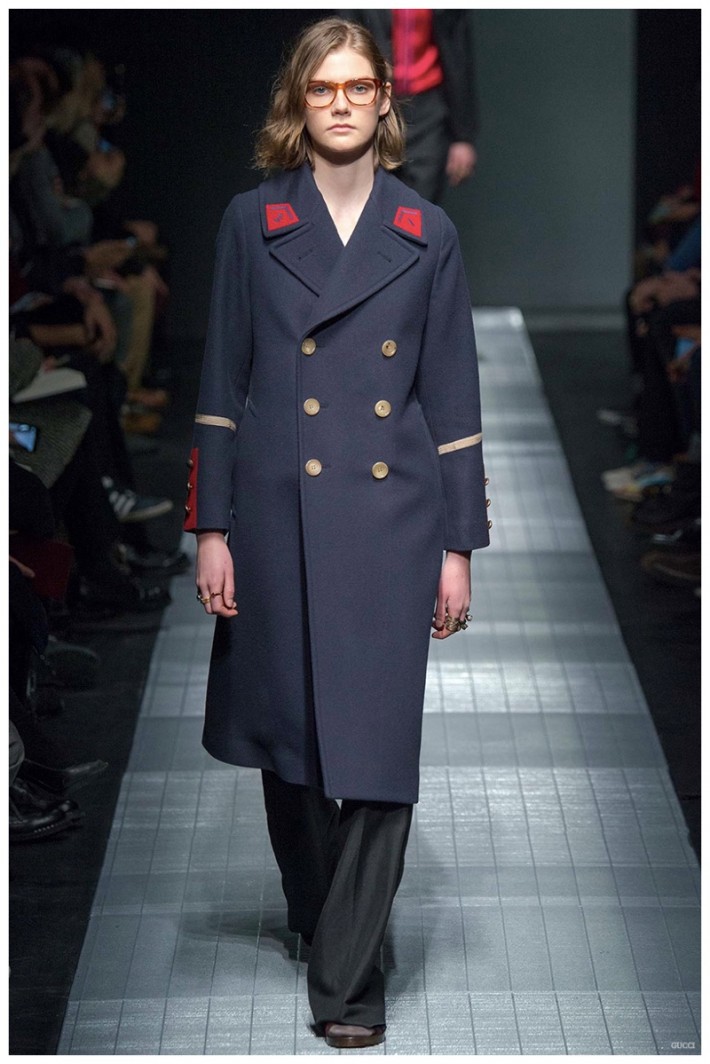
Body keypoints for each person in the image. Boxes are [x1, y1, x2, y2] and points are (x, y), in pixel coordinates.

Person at [185, 17, 491, 1049]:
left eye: (360, 86)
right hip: (274, 513)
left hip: (388, 522)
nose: (344, 103)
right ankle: (324, 912)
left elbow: (452, 399)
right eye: (325, 88)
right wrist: (211, 526)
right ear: (299, 103)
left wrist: (457, 546)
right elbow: (221, 380)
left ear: (385, 101)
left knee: (378, 752)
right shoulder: (252, 222)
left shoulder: (426, 233)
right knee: (290, 743)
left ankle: (347, 985)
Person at [338, 9, 479, 202]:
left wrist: (462, 137)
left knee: (421, 205)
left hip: (428, 109)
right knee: (368, 201)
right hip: (371, 104)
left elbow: (458, 52)